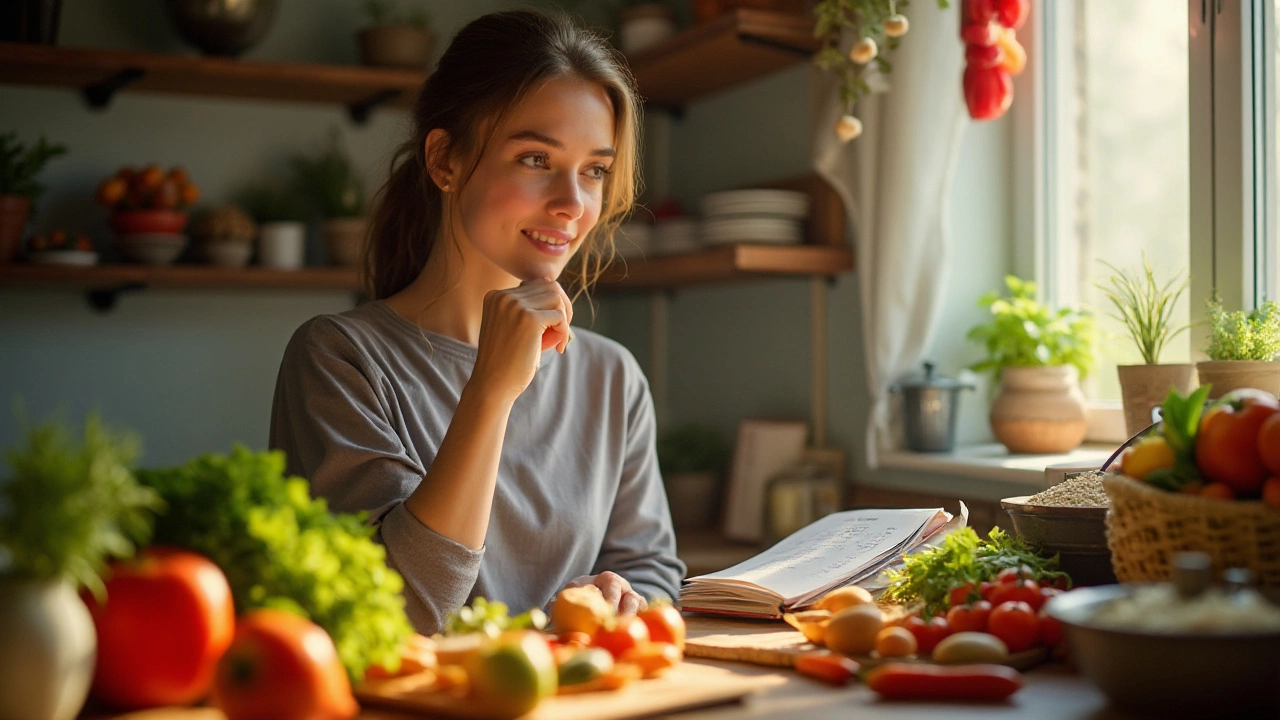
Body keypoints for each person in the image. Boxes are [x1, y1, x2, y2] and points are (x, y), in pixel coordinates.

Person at [269, 9, 685, 635]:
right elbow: (403, 612)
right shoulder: (338, 358)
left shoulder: (612, 377)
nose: (574, 204)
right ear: (445, 161)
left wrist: (622, 599)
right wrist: (489, 391)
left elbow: (652, 572)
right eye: (535, 159)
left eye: (594, 170)